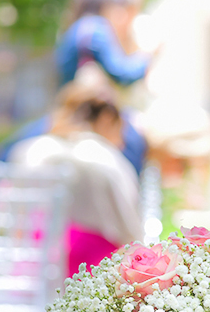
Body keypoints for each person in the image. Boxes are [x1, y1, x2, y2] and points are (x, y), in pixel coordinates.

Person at [0, 0, 156, 175]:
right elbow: (121, 73)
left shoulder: (76, 29)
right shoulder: (95, 29)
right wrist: (147, 57)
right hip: (83, 116)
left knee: (11, 154)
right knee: (132, 146)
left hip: (67, 111)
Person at [9, 65, 143, 277]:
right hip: (91, 269)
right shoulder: (107, 159)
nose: (124, 140)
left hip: (33, 264)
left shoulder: (31, 150)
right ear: (107, 119)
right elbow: (130, 230)